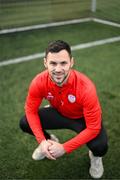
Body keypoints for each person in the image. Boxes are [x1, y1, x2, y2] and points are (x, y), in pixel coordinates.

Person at [20, 40, 108, 179]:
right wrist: (42, 141)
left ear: (71, 62)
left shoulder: (86, 87)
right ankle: (50, 140)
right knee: (25, 122)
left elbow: (93, 127)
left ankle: (95, 157)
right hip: (59, 112)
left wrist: (64, 148)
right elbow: (30, 111)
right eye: (53, 63)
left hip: (82, 118)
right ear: (45, 63)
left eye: (63, 63)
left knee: (100, 146)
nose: (58, 69)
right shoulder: (38, 82)